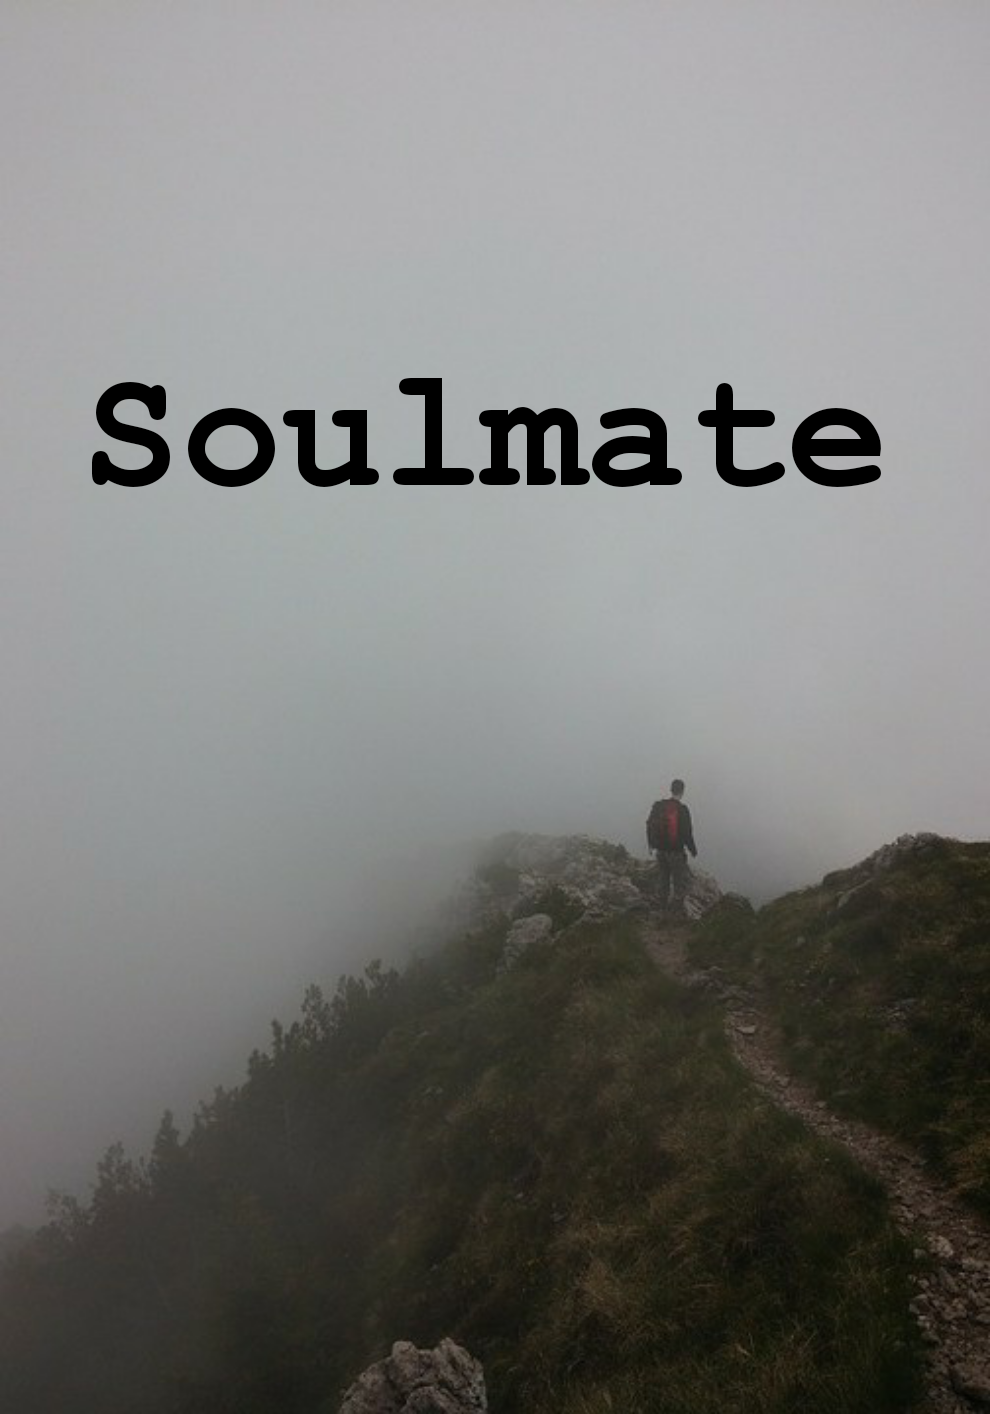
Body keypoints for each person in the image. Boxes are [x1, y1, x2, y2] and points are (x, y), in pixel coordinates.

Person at [646, 779, 698, 914]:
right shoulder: (683, 809)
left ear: (671, 789)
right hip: (676, 852)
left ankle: (661, 906)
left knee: (663, 878)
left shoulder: (658, 806)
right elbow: (687, 832)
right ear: (682, 791)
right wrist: (693, 849)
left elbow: (649, 824)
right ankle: (676, 911)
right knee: (678, 881)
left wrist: (651, 844)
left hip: (661, 850)